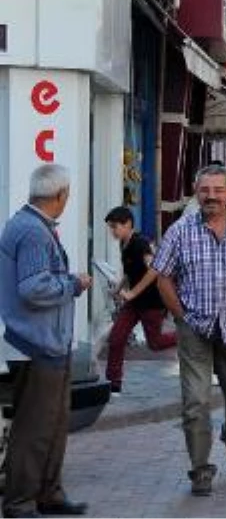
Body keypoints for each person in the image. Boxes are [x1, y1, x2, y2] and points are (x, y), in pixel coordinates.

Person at [152, 165, 226, 496]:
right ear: (196, 192)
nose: (211, 197)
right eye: (205, 190)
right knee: (195, 400)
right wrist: (181, 316)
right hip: (196, 328)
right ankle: (200, 468)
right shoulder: (180, 232)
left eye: (218, 190)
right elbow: (163, 276)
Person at [0, 164, 93, 518]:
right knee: (35, 427)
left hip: (45, 342)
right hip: (35, 343)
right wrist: (74, 284)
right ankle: (20, 503)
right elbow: (33, 287)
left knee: (53, 423)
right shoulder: (34, 232)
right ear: (61, 195)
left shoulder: (29, 225)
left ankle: (48, 493)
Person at [103, 206, 178, 395]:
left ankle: (187, 336)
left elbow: (154, 270)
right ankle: (113, 384)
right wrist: (118, 289)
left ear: (128, 224)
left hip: (152, 302)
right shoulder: (124, 244)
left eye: (115, 227)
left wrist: (133, 293)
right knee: (116, 338)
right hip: (134, 304)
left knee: (155, 343)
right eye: (110, 227)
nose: (112, 231)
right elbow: (130, 272)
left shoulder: (141, 244)